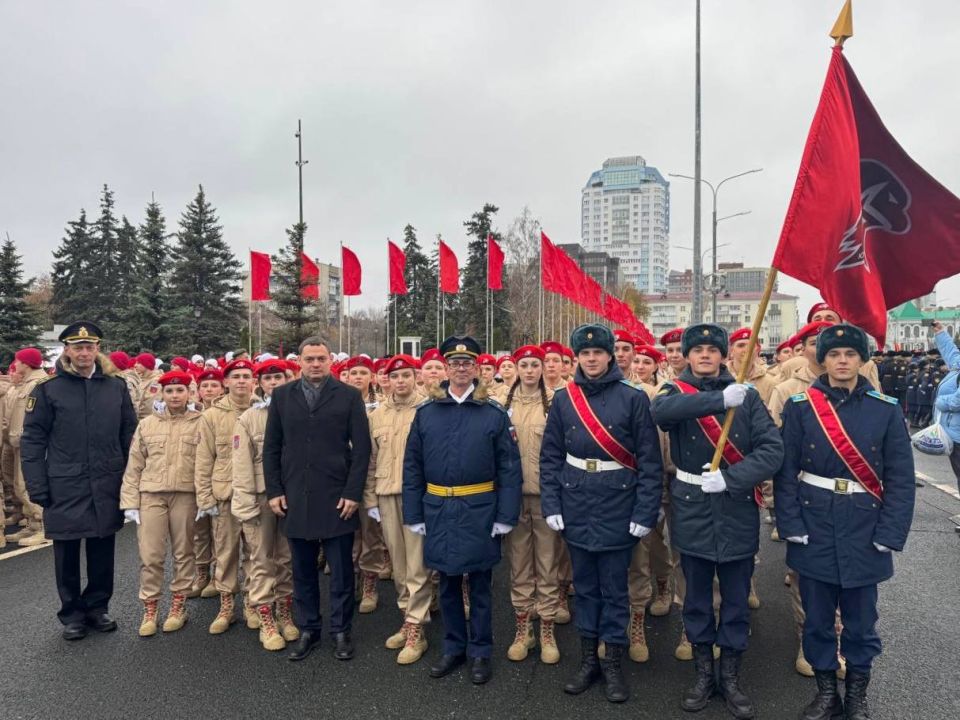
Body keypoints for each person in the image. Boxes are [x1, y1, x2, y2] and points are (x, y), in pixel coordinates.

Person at [774, 325, 915, 720]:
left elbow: (901, 478)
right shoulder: (801, 406)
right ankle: (826, 695)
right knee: (817, 620)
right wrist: (791, 524)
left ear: (861, 360)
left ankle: (856, 695)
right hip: (814, 521)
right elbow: (785, 473)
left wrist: (891, 531)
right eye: (833, 354)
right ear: (823, 359)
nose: (841, 361)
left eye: (850, 354)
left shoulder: (885, 408)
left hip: (864, 525)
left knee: (861, 622)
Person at [652, 323, 782, 719]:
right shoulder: (675, 390)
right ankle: (703, 674)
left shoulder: (748, 396)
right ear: (687, 356)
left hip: (735, 503)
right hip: (692, 506)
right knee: (696, 599)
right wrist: (717, 401)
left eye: (713, 349)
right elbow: (661, 413)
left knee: (736, 598)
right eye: (698, 350)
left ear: (724, 355)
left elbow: (772, 450)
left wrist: (732, 477)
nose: (705, 355)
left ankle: (730, 677)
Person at [540, 324, 663, 703]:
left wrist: (645, 511)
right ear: (577, 357)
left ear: (610, 356)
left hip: (618, 504)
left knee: (614, 590)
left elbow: (650, 461)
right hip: (577, 502)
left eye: (598, 353)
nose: (591, 359)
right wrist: (552, 503)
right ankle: (588, 660)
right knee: (586, 588)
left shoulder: (633, 398)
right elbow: (551, 457)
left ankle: (612, 663)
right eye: (584, 353)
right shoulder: (565, 398)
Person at [402, 334, 522, 685]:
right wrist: (414, 513)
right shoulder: (426, 413)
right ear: (445, 368)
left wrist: (505, 515)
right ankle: (453, 647)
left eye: (467, 363)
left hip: (479, 508)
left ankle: (481, 651)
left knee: (481, 585)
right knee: (448, 583)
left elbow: (509, 468)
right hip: (438, 507)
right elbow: (413, 467)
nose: (460, 368)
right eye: (454, 363)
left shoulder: (493, 413)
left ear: (477, 368)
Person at [21, 322, 138, 640]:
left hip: (106, 482)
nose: (84, 352)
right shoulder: (48, 389)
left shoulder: (115, 386)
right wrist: (36, 485)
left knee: (103, 550)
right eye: (77, 347)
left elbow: (129, 434)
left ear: (97, 349)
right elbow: (32, 440)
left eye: (89, 346)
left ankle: (98, 607)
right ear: (67, 351)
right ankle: (72, 614)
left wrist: (131, 478)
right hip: (64, 484)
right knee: (67, 553)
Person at [263, 336, 371, 663]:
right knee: (303, 570)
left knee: (341, 571)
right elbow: (272, 448)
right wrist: (274, 490)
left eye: (321, 358)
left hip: (337, 496)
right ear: (299, 362)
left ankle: (341, 630)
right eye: (309, 359)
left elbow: (362, 450)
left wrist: (353, 493)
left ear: (330, 361)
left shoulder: (348, 396)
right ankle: (308, 628)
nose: (315, 364)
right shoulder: (282, 396)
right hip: (296, 495)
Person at [119, 369, 201, 637]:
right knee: (151, 555)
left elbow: (206, 463)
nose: (175, 396)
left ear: (189, 393)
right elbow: (134, 465)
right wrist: (130, 502)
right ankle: (150, 607)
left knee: (184, 552)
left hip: (186, 495)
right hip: (151, 494)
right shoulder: (147, 424)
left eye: (180, 390)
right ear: (162, 394)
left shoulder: (200, 422)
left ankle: (178, 606)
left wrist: (205, 498)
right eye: (170, 391)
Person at [365, 354, 433, 665]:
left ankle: (417, 627)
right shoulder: (377, 414)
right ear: (387, 380)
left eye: (406, 375)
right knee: (399, 564)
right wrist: (370, 500)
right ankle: (408, 617)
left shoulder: (428, 410)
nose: (400, 381)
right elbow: (370, 461)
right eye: (395, 376)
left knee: (418, 564)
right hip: (386, 494)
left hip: (417, 495)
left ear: (416, 377)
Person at [500, 345, 562, 665]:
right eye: (523, 365)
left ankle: (547, 627)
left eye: (534, 365)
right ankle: (523, 629)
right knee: (519, 565)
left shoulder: (556, 403)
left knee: (548, 564)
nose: (529, 371)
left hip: (546, 496)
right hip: (513, 497)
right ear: (515, 367)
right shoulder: (502, 405)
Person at [232, 358, 298, 652]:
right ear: (260, 384)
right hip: (260, 497)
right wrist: (245, 504)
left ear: (288, 380)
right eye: (268, 379)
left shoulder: (298, 412)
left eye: (278, 377)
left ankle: (285, 611)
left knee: (286, 557)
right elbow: (241, 466)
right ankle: (265, 616)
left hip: (292, 495)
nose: (273, 383)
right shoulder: (249, 418)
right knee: (261, 558)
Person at [194, 358, 257, 635]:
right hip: (225, 494)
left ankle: (253, 603)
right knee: (226, 552)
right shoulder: (211, 416)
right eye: (236, 376)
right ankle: (227, 605)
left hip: (255, 493)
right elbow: (203, 459)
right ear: (226, 382)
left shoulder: (263, 411)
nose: (241, 381)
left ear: (253, 382)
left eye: (246, 376)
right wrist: (205, 498)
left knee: (256, 552)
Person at [346, 355, 392, 613]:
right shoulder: (339, 403)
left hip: (371, 477)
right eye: (354, 373)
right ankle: (351, 580)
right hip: (344, 478)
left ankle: (370, 584)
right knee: (348, 535)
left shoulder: (381, 407)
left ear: (372, 377)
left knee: (371, 534)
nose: (358, 377)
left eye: (363, 373)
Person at [6, 349, 50, 547]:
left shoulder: (37, 384)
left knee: (28, 485)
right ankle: (32, 524)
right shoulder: (26, 383)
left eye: (18, 361)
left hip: (30, 443)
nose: (16, 364)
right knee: (19, 485)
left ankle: (44, 527)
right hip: (19, 442)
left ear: (26, 363)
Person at [126, 353, 162, 421]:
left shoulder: (155, 382)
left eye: (139, 363)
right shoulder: (143, 379)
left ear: (146, 364)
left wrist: (138, 419)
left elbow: (149, 406)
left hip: (146, 421)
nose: (135, 365)